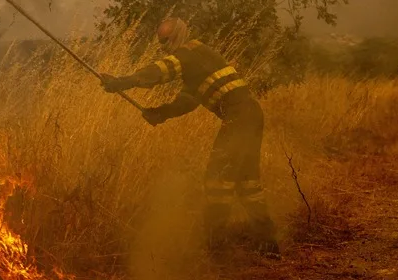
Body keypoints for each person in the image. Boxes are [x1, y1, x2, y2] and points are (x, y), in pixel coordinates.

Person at [100, 17, 280, 258]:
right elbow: (187, 102)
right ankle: (268, 244)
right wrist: (161, 112)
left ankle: (216, 247)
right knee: (247, 182)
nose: (163, 47)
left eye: (165, 41)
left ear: (176, 36)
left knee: (217, 180)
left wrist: (122, 82)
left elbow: (159, 71)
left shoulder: (189, 52)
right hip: (250, 116)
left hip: (239, 117)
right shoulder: (198, 62)